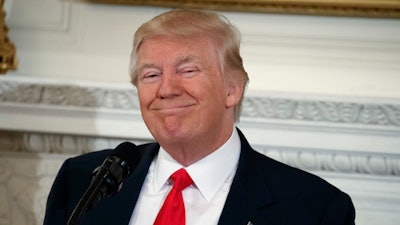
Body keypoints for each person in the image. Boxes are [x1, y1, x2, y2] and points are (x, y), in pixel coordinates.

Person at [43, 9, 355, 225]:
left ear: (232, 89)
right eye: (150, 74)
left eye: (187, 70)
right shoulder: (84, 180)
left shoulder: (313, 208)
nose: (166, 89)